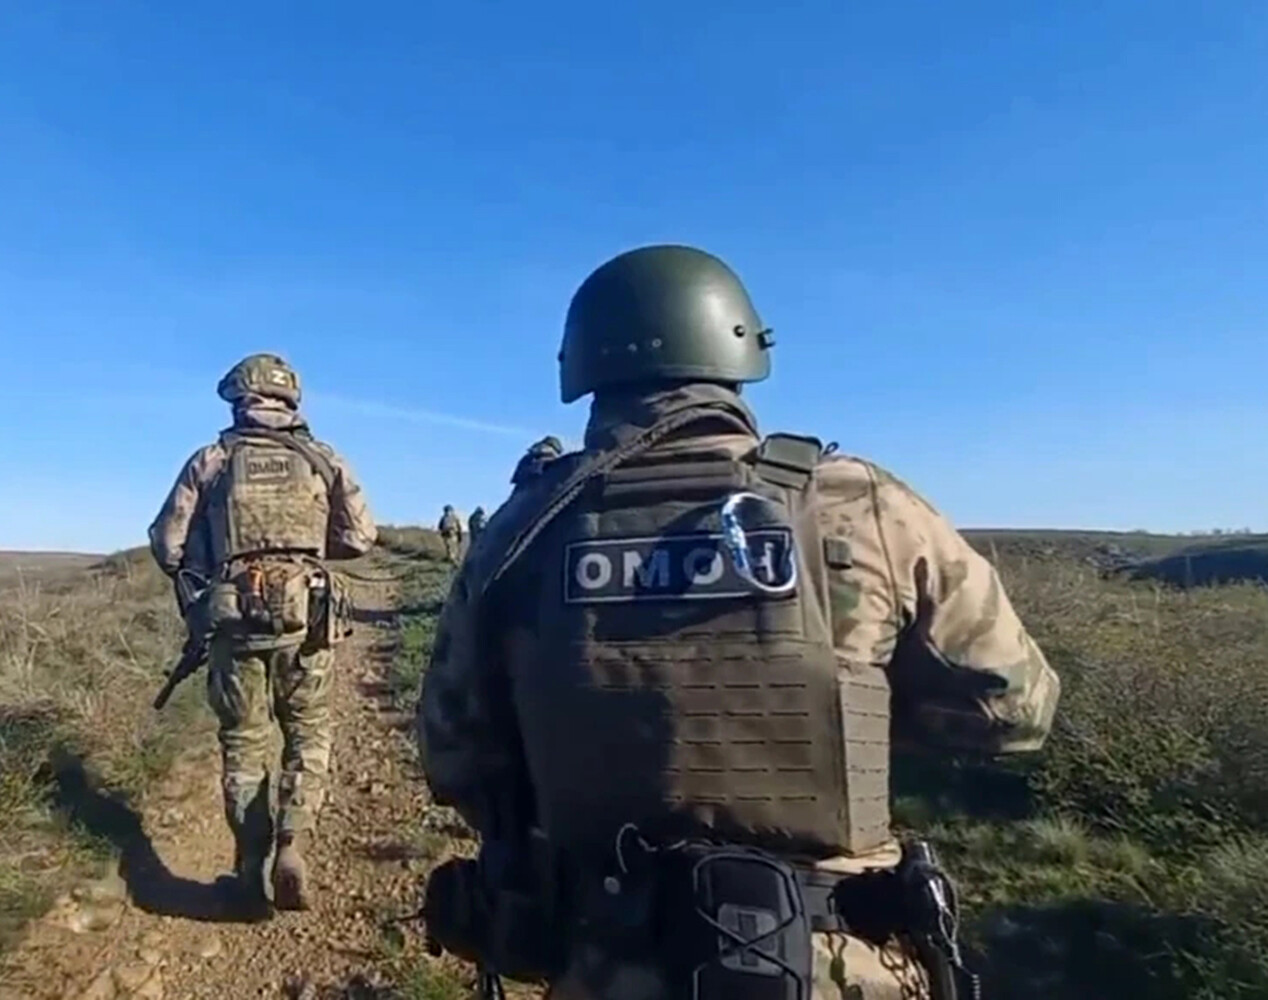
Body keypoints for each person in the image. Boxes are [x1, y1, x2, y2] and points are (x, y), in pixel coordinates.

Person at [416, 245, 1060, 999]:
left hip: (607, 957)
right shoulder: (861, 506)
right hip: (840, 965)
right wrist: (843, 717)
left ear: (583, 368)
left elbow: (455, 759)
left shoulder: (522, 531)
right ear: (740, 349)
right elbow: (1014, 708)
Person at [147, 353, 376, 915]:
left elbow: (167, 545)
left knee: (245, 743)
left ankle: (250, 870)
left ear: (237, 398)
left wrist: (215, 558)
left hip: (235, 624)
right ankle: (292, 844)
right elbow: (360, 537)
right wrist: (306, 553)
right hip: (307, 625)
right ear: (291, 398)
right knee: (308, 733)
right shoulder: (324, 458)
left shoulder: (213, 459)